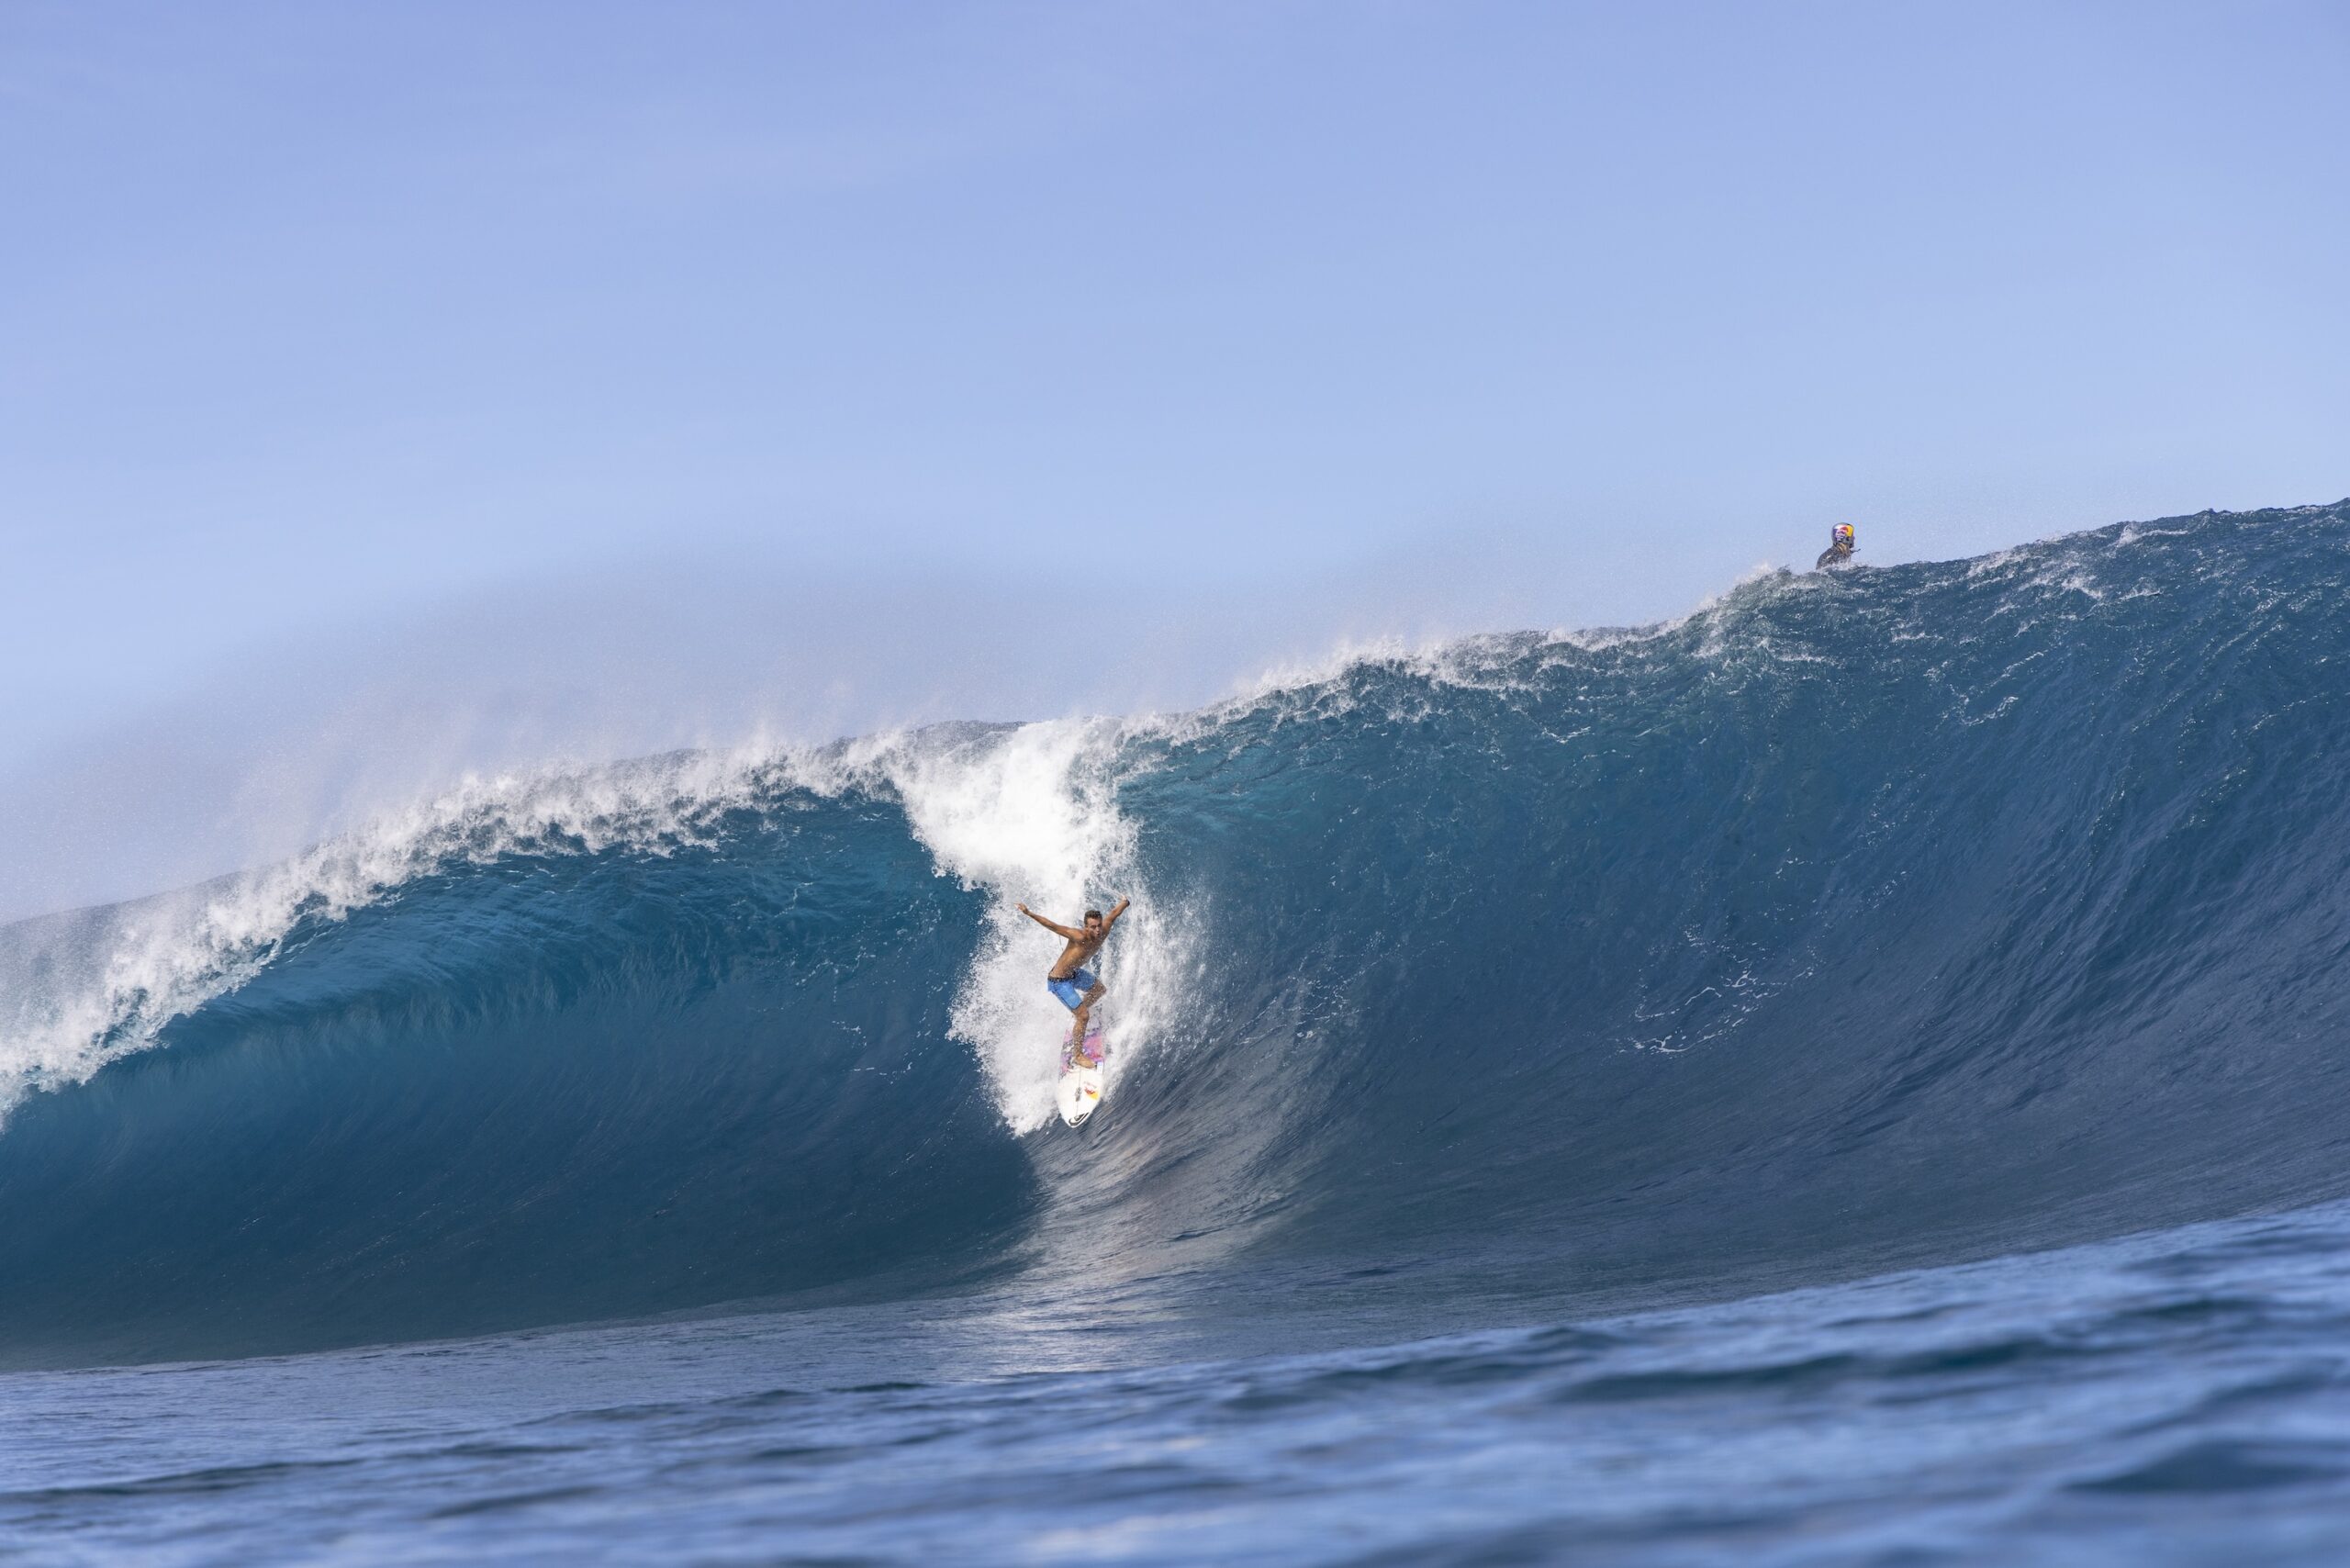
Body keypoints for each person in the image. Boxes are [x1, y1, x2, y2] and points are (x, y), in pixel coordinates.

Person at [1017, 897, 1129, 1055]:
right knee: (1084, 1017)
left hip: (1074, 973)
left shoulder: (1104, 929)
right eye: (1093, 927)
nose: (1097, 930)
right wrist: (1029, 913)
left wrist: (1125, 902)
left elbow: (1114, 913)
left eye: (1098, 926)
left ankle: (1078, 1011)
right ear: (1086, 927)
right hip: (1059, 981)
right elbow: (1052, 926)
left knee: (1099, 990)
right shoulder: (1078, 936)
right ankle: (1077, 1055)